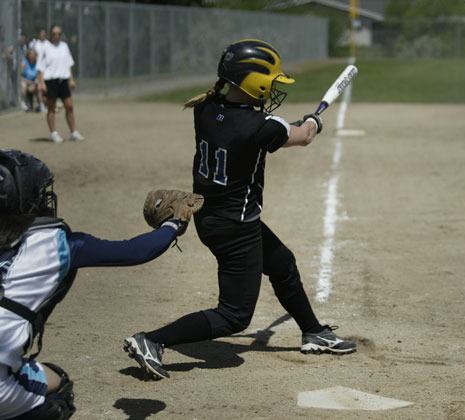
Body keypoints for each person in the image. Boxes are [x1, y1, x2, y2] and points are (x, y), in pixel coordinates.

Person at [124, 39, 357, 381]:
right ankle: (152, 340)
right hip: (237, 227)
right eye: (271, 81)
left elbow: (259, 129)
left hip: (210, 217)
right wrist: (314, 123)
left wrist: (291, 125)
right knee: (235, 316)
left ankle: (313, 331)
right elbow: (303, 135)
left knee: (282, 263)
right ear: (254, 83)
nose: (274, 88)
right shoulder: (261, 126)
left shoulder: (206, 108)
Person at [0, 149, 193, 419]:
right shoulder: (56, 245)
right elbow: (135, 251)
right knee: (58, 392)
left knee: (39, 372)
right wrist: (173, 225)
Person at [36, 24, 84, 144]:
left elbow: (68, 64)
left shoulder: (64, 46)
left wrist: (71, 79)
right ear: (50, 34)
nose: (56, 36)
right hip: (51, 81)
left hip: (63, 80)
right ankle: (53, 133)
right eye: (54, 34)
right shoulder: (45, 47)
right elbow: (40, 67)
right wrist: (41, 82)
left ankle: (73, 132)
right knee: (51, 108)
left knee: (69, 106)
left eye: (59, 34)